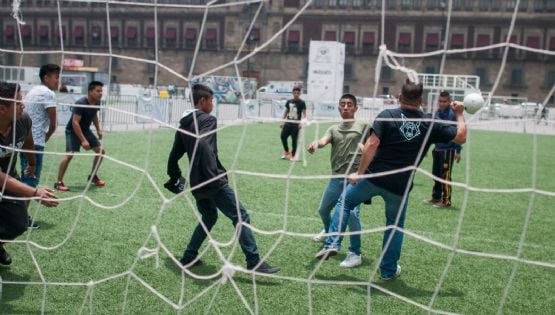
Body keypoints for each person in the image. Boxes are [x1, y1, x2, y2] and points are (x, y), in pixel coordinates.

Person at [314, 80, 466, 281]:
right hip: (400, 187)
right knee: (394, 225)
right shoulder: (430, 122)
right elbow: (461, 137)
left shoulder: (387, 116)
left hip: (374, 178)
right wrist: (460, 113)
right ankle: (387, 270)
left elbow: (371, 144)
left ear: (400, 97)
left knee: (345, 201)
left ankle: (333, 243)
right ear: (421, 100)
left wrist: (359, 173)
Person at [165, 84, 280, 274]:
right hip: (212, 180)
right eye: (211, 100)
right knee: (241, 216)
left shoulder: (183, 124)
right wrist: (214, 174)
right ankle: (254, 261)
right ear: (202, 101)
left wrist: (175, 176)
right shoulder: (208, 120)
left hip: (196, 183)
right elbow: (204, 144)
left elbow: (173, 156)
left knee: (209, 217)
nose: (212, 104)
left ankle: (188, 257)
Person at [307, 94, 369, 268]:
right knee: (323, 210)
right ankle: (329, 233)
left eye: (350, 104)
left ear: (356, 108)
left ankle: (355, 253)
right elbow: (323, 141)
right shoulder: (333, 128)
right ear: (338, 108)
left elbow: (373, 145)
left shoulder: (363, 126)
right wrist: (315, 144)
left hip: (354, 179)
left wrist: (366, 152)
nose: (346, 107)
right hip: (336, 177)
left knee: (353, 215)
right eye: (342, 104)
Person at [0, 82, 58, 265]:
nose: (23, 105)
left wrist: (32, 163)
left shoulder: (23, 119)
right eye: (17, 102)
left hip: (10, 174)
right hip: (3, 178)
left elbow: (28, 141)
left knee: (18, 223)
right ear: (2, 109)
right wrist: (34, 192)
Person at [20, 64, 60, 228]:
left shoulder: (33, 91)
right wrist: (47, 136)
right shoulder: (47, 93)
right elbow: (53, 123)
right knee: (30, 181)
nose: (58, 81)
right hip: (35, 142)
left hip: (23, 141)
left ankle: (19, 216)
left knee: (24, 179)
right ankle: (22, 219)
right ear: (46, 78)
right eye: (56, 77)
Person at [55, 81, 106, 191]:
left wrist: (98, 130)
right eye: (98, 91)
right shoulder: (80, 102)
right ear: (90, 91)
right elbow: (75, 123)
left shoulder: (97, 102)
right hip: (72, 130)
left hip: (85, 130)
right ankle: (58, 182)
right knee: (69, 155)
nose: (100, 93)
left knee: (101, 151)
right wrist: (83, 140)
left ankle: (93, 176)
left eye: (101, 91)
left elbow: (94, 116)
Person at [426, 91, 462, 209]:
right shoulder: (437, 113)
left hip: (448, 150)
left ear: (449, 101)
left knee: (445, 175)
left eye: (444, 101)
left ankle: (446, 201)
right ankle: (436, 197)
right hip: (437, 149)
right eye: (440, 101)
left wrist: (458, 151)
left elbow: (458, 132)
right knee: (435, 174)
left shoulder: (452, 114)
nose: (442, 104)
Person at [280, 87, 306, 161]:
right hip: (288, 123)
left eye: (298, 93)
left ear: (300, 94)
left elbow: (304, 114)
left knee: (294, 140)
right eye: (295, 93)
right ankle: (286, 151)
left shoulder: (302, 103)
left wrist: (301, 123)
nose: (296, 94)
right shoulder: (289, 101)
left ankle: (293, 155)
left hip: (296, 125)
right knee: (282, 136)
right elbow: (286, 112)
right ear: (292, 93)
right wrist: (282, 121)